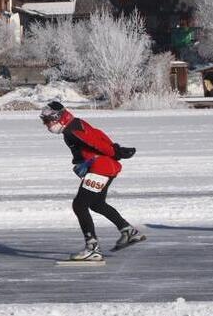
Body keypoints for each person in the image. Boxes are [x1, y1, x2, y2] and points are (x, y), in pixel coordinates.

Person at [40, 100, 145, 262]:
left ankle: (92, 248)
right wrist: (115, 149)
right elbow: (98, 134)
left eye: (47, 121)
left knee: (79, 205)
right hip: (105, 168)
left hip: (100, 168)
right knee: (97, 204)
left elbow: (95, 142)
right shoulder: (76, 123)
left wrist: (115, 151)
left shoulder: (71, 131)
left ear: (58, 118)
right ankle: (128, 231)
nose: (46, 125)